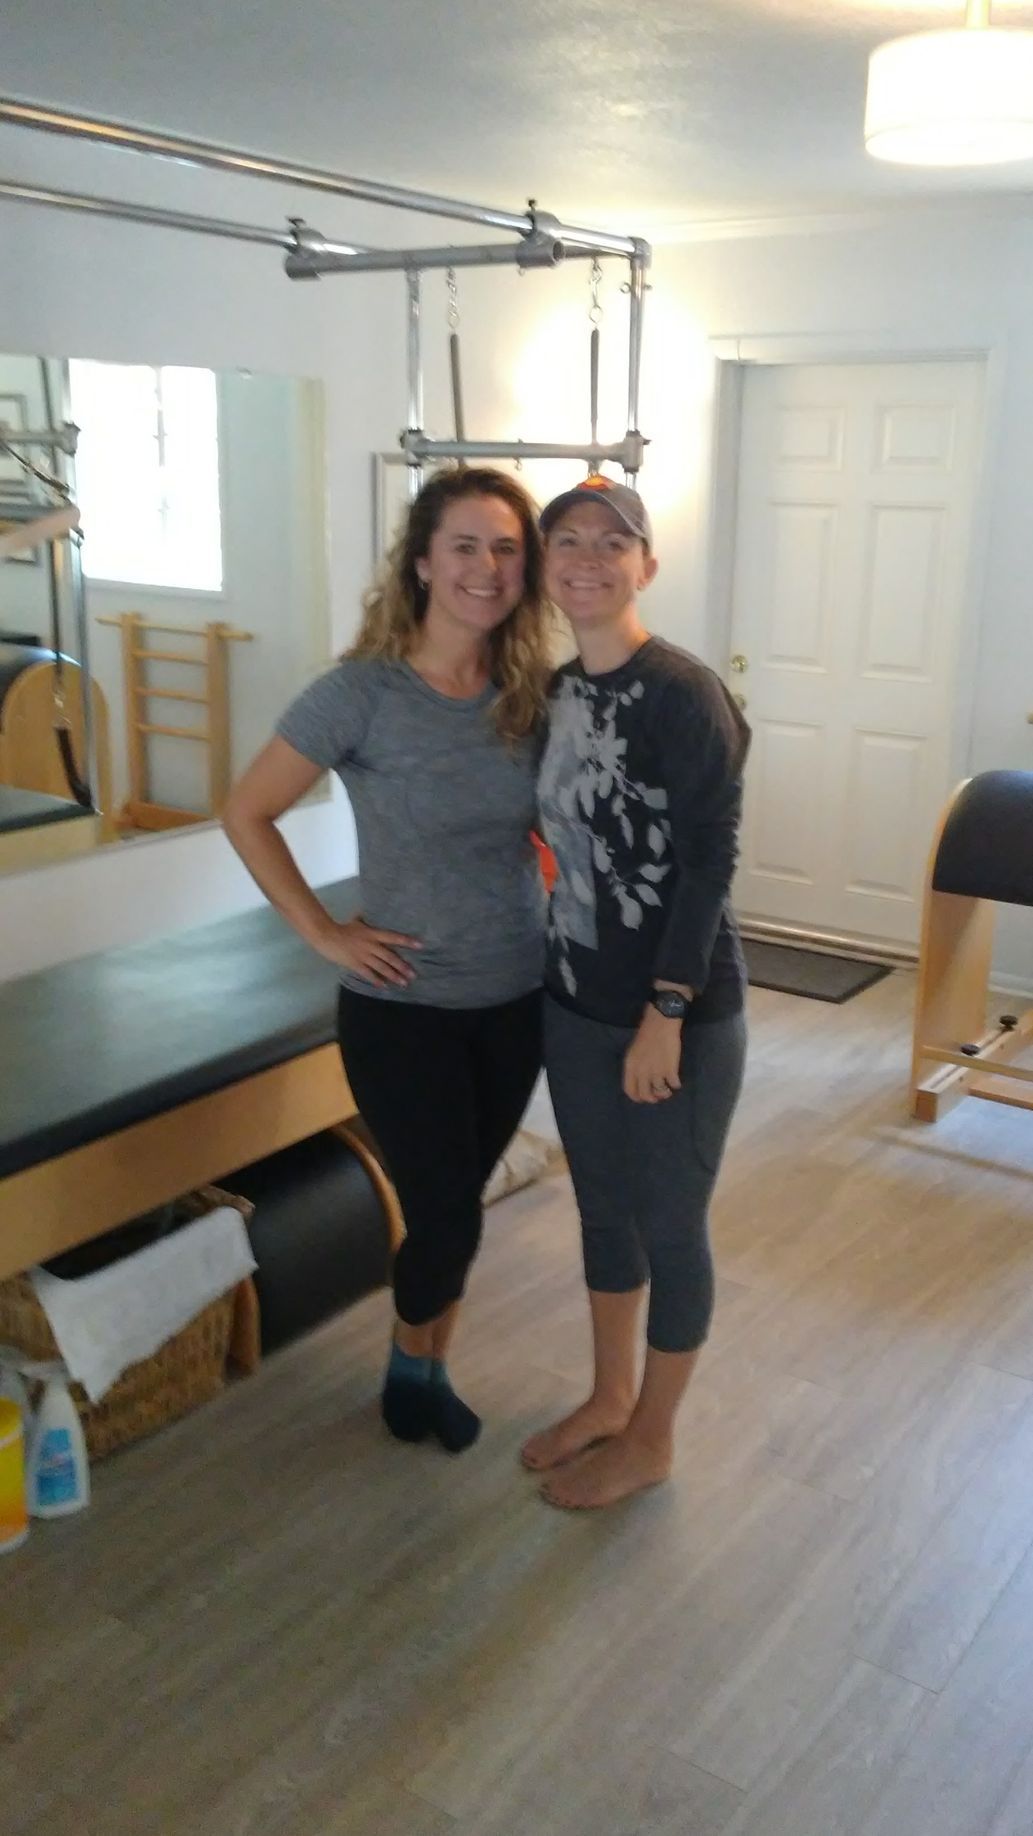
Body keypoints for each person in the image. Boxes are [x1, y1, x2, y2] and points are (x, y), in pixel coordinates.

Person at [223, 467, 552, 1454]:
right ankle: (413, 1372)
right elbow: (247, 811)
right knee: (446, 1214)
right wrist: (323, 933)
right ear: (420, 562)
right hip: (402, 1006)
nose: (485, 569)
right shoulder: (359, 695)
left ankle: (423, 1360)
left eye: (504, 549)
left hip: (517, 997)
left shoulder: (526, 695)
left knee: (460, 1210)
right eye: (464, 545)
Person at [522, 475, 750, 1509]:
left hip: (679, 1015)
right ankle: (609, 1397)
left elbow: (708, 860)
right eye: (565, 540)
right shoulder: (557, 695)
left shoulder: (682, 692)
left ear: (645, 565)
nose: (586, 558)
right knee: (600, 1212)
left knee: (670, 1223)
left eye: (611, 543)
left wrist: (665, 1010)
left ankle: (654, 1435)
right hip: (573, 997)